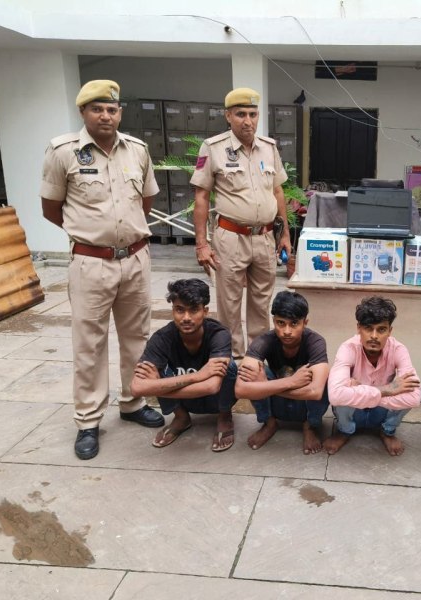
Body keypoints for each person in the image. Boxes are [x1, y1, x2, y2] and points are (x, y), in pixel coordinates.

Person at [40, 80, 164, 460]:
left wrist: (123, 238)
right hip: (91, 263)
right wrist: (93, 237)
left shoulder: (137, 150)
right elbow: (51, 208)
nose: (105, 116)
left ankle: (133, 402)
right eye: (97, 109)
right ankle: (88, 420)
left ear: (119, 112)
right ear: (83, 112)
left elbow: (145, 201)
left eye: (112, 109)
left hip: (135, 259)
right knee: (89, 344)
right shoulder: (63, 152)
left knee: (137, 337)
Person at [190, 87, 291, 359]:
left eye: (253, 114)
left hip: (265, 237)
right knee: (229, 304)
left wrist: (284, 234)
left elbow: (278, 191)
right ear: (228, 116)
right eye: (241, 114)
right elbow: (201, 196)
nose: (248, 121)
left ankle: (256, 358)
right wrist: (201, 244)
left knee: (262, 302)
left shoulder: (268, 148)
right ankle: (232, 360)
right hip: (230, 237)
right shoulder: (213, 148)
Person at [130, 279, 238, 451]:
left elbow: (212, 386)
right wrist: (198, 376)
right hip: (183, 401)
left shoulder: (219, 334)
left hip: (215, 399)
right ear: (173, 310)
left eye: (194, 310)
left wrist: (157, 386)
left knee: (230, 366)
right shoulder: (162, 338)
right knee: (155, 368)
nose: (186, 318)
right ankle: (181, 417)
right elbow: (136, 388)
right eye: (180, 310)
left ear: (205, 311)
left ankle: (224, 416)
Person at [235, 291, 330, 454]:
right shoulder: (263, 341)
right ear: (273, 321)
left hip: (304, 403)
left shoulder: (315, 341)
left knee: (324, 376)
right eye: (281, 323)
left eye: (294, 324)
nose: (286, 331)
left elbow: (316, 392)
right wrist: (291, 382)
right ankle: (269, 423)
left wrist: (265, 386)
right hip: (279, 402)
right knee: (255, 373)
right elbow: (240, 389)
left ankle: (310, 426)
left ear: (305, 323)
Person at [325, 296, 421, 456]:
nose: (374, 336)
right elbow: (335, 396)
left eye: (381, 329)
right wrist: (386, 390)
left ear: (390, 331)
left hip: (379, 411)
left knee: (406, 390)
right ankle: (345, 430)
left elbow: (415, 398)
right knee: (340, 395)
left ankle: (387, 431)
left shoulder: (398, 349)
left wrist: (360, 393)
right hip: (354, 411)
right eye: (368, 328)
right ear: (358, 328)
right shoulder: (348, 348)